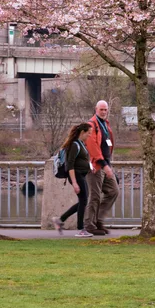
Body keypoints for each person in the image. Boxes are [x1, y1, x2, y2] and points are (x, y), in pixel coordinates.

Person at [83, 101, 119, 235]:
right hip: (96, 167)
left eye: (105, 110)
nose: (104, 112)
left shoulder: (105, 124)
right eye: (101, 109)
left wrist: (108, 165)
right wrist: (104, 165)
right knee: (95, 196)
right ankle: (89, 225)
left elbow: (107, 146)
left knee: (113, 191)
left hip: (106, 165)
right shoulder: (92, 125)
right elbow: (93, 147)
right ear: (96, 109)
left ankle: (98, 220)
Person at [54, 123, 93, 237]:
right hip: (76, 176)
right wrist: (74, 182)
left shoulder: (81, 144)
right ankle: (81, 229)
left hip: (81, 174)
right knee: (84, 200)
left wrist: (90, 166)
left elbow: (82, 160)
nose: (89, 135)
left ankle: (60, 219)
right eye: (88, 133)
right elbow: (70, 165)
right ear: (82, 132)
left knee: (83, 200)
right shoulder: (74, 145)